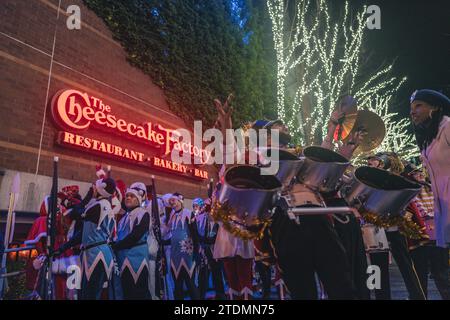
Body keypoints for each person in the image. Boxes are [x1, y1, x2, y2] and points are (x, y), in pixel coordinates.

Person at [410, 89, 450, 249]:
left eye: (418, 106)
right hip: (443, 203)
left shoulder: (447, 127)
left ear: (434, 108)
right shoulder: (428, 137)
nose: (413, 112)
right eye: (411, 108)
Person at [403, 163, 450, 300]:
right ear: (409, 176)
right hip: (419, 240)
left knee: (442, 274)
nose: (420, 175)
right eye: (416, 173)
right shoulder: (408, 193)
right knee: (419, 276)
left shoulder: (432, 188)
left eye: (421, 172)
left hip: (437, 238)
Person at [112, 182, 155, 299]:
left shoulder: (143, 213)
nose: (128, 198)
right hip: (123, 260)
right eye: (127, 196)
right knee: (127, 293)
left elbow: (136, 235)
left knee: (138, 293)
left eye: (132, 196)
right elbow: (119, 236)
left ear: (139, 199)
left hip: (137, 260)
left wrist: (116, 246)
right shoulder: (123, 218)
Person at [166, 193, 201, 300]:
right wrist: (163, 242)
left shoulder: (188, 214)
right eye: (170, 201)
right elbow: (173, 236)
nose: (172, 203)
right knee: (177, 284)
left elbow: (195, 233)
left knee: (190, 283)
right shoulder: (171, 216)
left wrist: (196, 252)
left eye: (174, 200)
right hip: (175, 255)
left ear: (180, 201)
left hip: (187, 254)